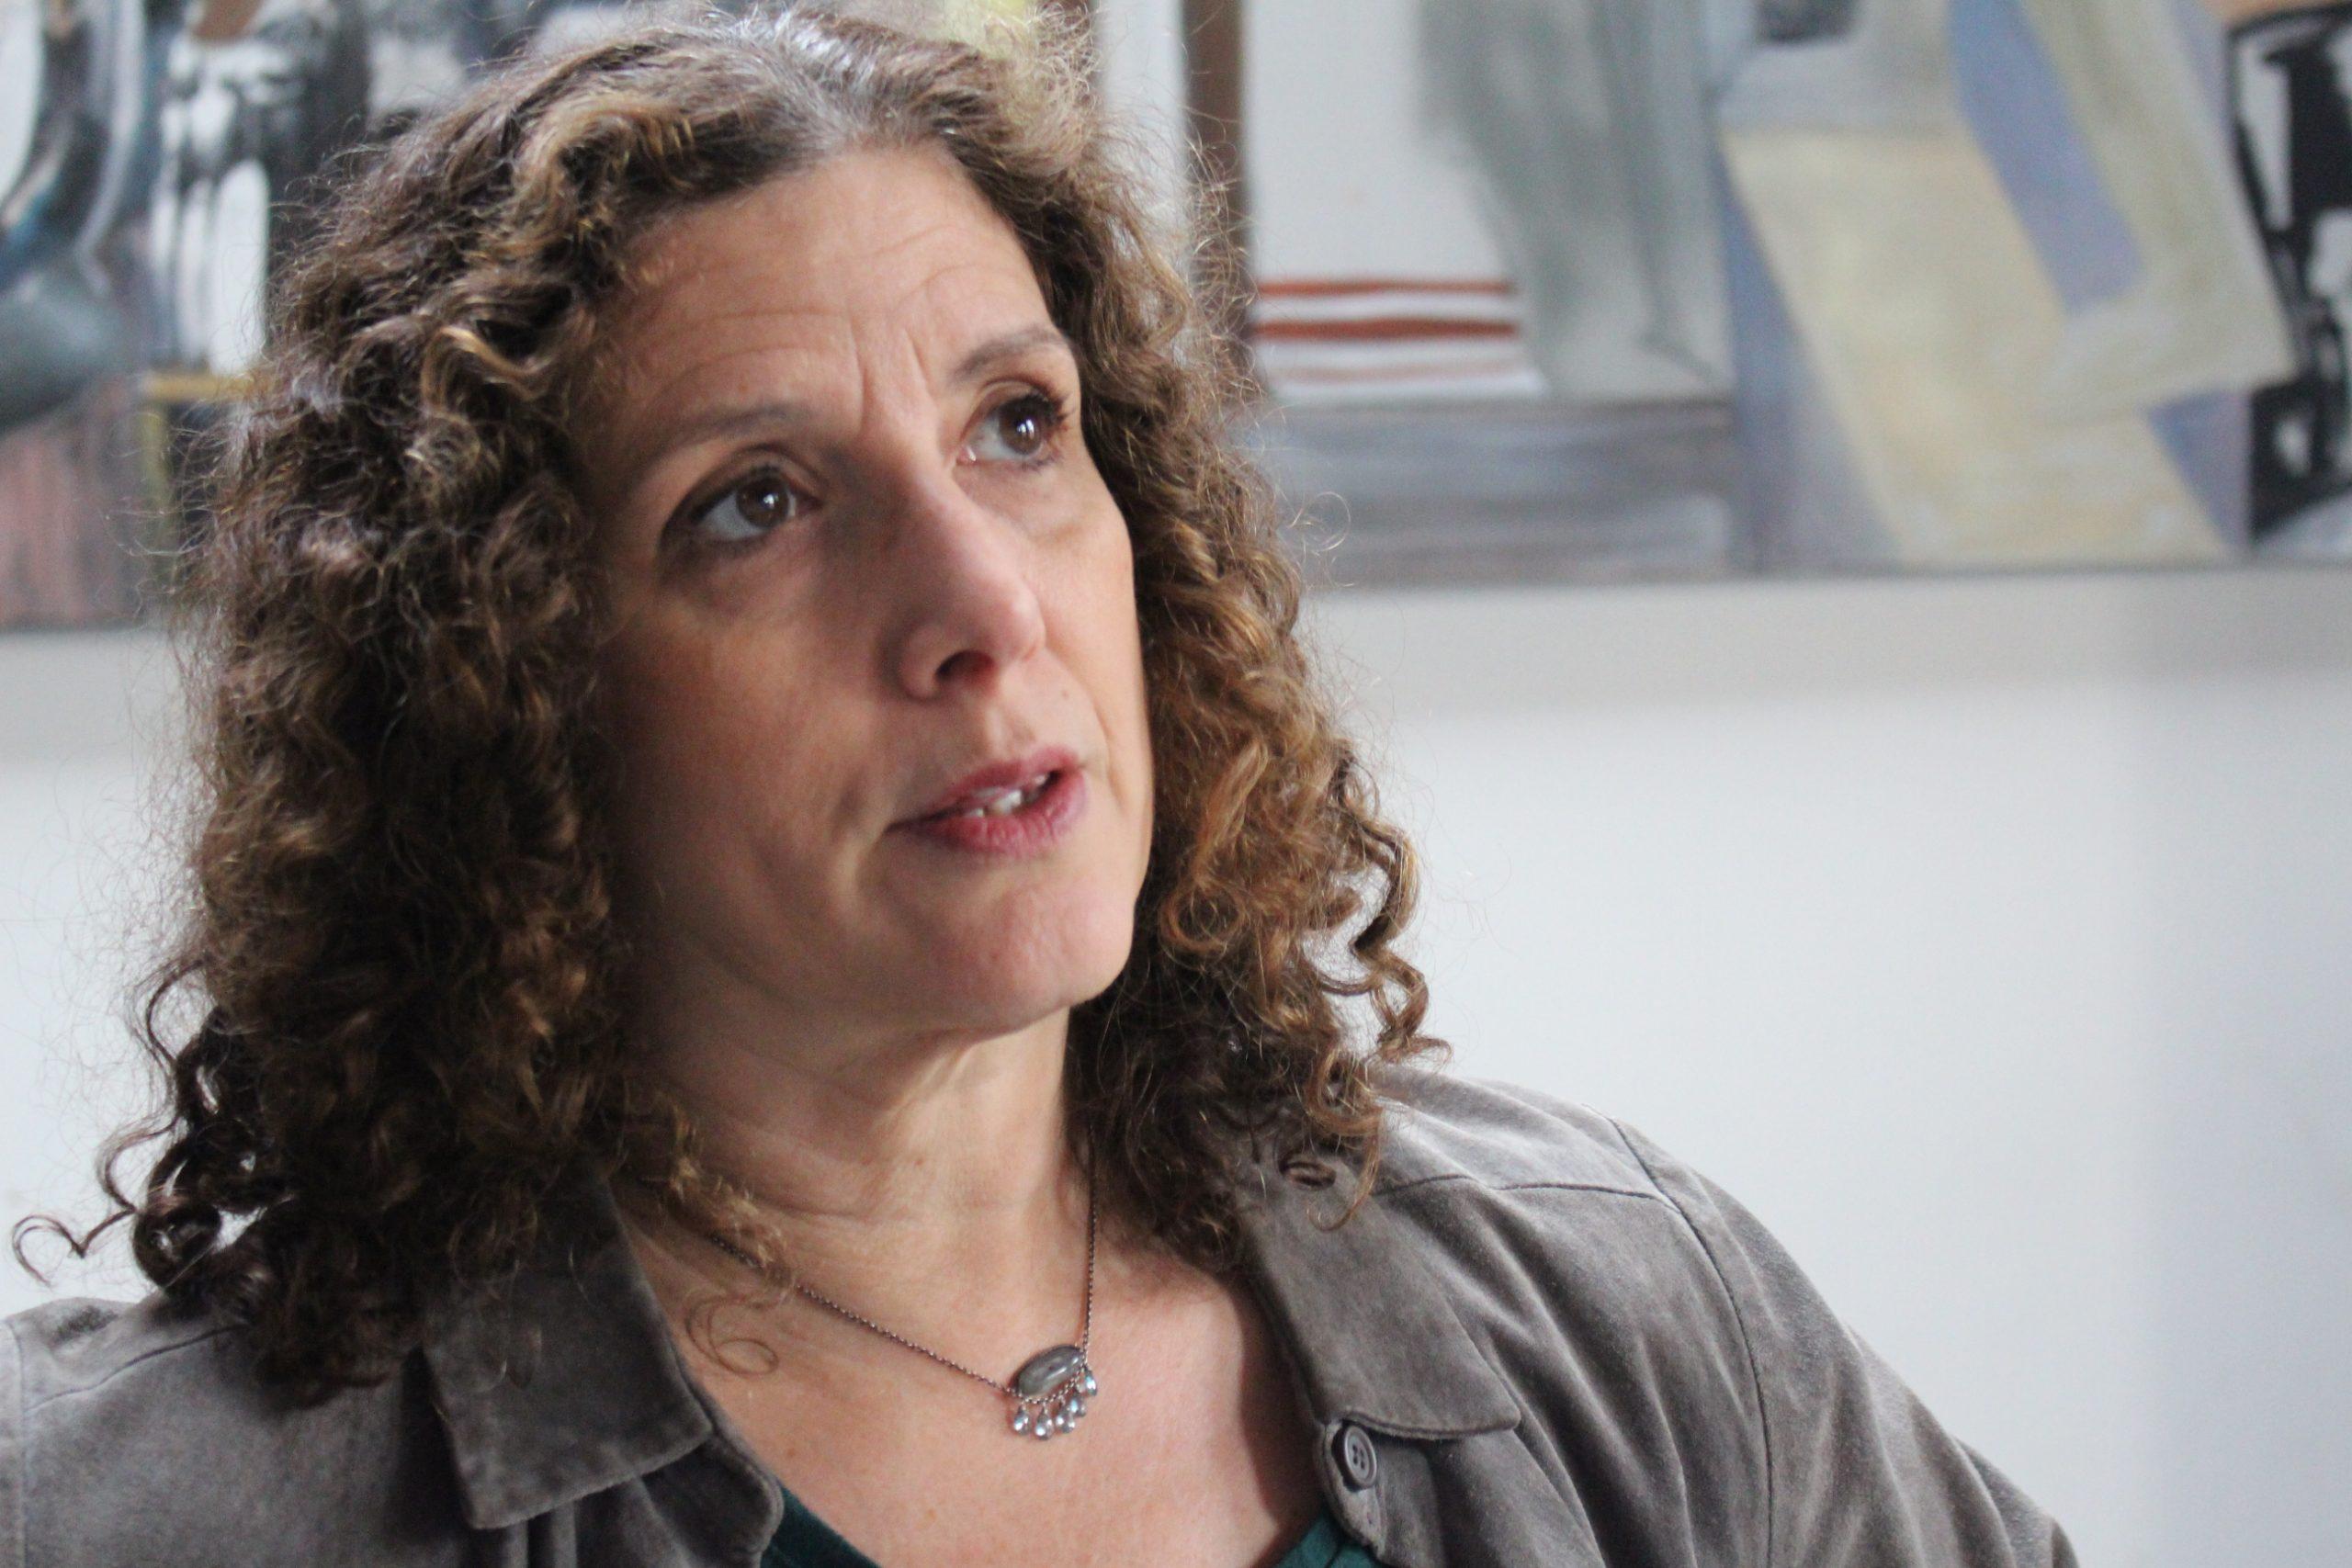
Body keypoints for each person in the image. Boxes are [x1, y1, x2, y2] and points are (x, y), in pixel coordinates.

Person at [1, 6, 2080, 1564]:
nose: (980, 602)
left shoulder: (1626, 1310)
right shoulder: (168, 1511)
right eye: (753, 503)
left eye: (1016, 426)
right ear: (509, 696)